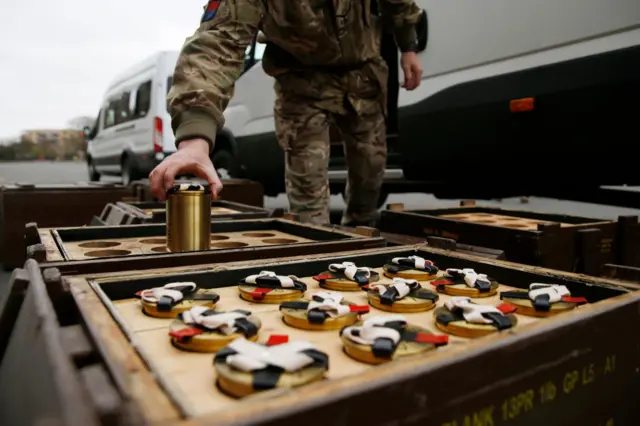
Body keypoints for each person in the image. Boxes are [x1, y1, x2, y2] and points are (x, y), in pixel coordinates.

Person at [149, 0, 423, 226]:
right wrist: (195, 139)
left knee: (370, 175)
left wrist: (408, 47)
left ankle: (361, 246)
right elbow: (216, 45)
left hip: (364, 77)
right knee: (308, 194)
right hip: (301, 83)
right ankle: (319, 262)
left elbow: (397, 3)